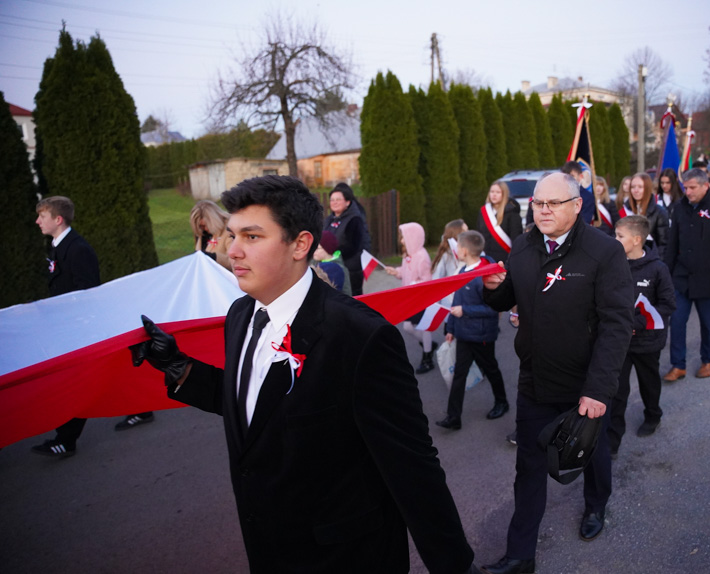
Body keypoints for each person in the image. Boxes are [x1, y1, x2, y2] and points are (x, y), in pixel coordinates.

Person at [131, 175, 479, 574]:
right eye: (231, 235)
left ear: (300, 244)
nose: (233, 251)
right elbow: (258, 412)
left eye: (252, 237)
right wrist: (180, 368)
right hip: (268, 548)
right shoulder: (240, 315)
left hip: (346, 557)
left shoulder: (361, 337)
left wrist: (455, 565)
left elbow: (412, 465)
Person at [481, 172, 633, 573]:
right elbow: (505, 297)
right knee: (528, 466)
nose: (543, 211)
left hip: (586, 383)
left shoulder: (604, 252)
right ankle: (520, 555)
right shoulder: (522, 246)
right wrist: (493, 287)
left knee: (592, 455)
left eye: (553, 204)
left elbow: (617, 324)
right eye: (537, 203)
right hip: (535, 379)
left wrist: (599, 390)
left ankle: (595, 505)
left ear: (577, 205)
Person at [30, 197, 154, 455]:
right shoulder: (57, 247)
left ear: (58, 219)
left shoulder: (77, 249)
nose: (37, 221)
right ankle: (142, 409)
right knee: (105, 376)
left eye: (42, 216)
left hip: (80, 329)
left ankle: (66, 440)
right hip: (68, 328)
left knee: (77, 383)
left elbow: (87, 293)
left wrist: (75, 326)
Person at [662, 169, 710, 382]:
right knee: (677, 322)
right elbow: (672, 244)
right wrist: (665, 275)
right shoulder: (679, 208)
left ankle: (708, 360)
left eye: (692, 188)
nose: (687, 192)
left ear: (705, 185)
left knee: (708, 322)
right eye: (685, 187)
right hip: (682, 277)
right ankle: (678, 365)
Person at [608, 216, 675, 456]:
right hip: (620, 342)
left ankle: (653, 415)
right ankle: (612, 440)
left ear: (637, 240)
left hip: (647, 342)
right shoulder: (613, 264)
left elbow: (668, 304)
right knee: (616, 391)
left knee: (649, 383)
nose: (615, 240)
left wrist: (637, 322)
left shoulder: (658, 268)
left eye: (620, 236)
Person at [435, 231, 509, 430]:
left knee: (491, 368)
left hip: (482, 335)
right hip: (463, 333)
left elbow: (493, 309)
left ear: (465, 250)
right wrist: (450, 328)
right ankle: (453, 417)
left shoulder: (485, 275)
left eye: (458, 247)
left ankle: (502, 402)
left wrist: (465, 311)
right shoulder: (462, 271)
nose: (456, 250)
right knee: (459, 373)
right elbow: (456, 302)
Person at [385, 223, 436, 374]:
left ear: (413, 238)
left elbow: (427, 280)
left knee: (423, 327)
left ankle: (427, 358)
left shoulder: (422, 257)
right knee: (407, 326)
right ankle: (428, 345)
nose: (401, 241)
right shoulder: (409, 255)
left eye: (404, 238)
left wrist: (414, 284)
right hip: (409, 298)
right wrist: (397, 271)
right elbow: (407, 272)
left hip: (420, 299)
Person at [323, 183, 371, 296]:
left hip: (350, 268)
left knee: (352, 297)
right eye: (332, 200)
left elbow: (353, 246)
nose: (334, 202)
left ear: (347, 202)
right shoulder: (329, 220)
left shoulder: (354, 220)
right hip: (331, 264)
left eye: (338, 199)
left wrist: (331, 253)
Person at [477, 181, 522, 264]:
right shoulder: (484, 211)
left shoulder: (512, 213)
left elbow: (516, 238)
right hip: (487, 258)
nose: (494, 195)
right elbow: (480, 233)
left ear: (504, 194)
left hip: (505, 258)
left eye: (498, 192)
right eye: (492, 192)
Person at [627, 172, 669, 256]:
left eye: (640, 187)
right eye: (633, 187)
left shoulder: (659, 212)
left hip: (649, 260)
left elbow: (664, 245)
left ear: (647, 188)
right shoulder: (624, 210)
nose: (636, 190)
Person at [432, 219, 468, 308]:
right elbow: (437, 279)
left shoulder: (470, 252)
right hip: (449, 302)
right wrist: (435, 304)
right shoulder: (446, 255)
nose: (468, 234)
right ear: (456, 234)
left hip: (467, 300)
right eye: (464, 231)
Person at [190, 200, 233, 271]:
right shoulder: (203, 234)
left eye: (204, 226)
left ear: (214, 221)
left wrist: (212, 257)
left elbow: (234, 262)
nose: (204, 229)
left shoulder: (230, 230)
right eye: (200, 227)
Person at [312, 230, 351, 295]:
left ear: (327, 250)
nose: (314, 250)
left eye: (317, 248)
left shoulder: (341, 269)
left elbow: (347, 294)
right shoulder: (313, 262)